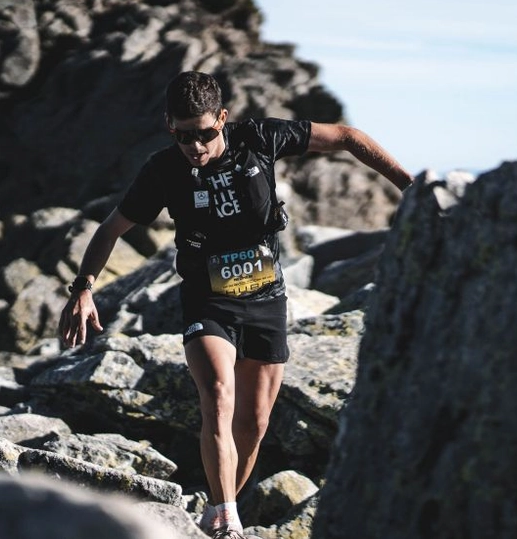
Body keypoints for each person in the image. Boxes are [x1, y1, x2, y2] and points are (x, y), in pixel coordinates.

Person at [58, 71, 412, 538]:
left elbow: (347, 137)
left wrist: (412, 187)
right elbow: (110, 229)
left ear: (222, 119)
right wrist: (84, 286)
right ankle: (227, 518)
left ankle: (215, 507)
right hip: (208, 304)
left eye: (205, 133)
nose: (196, 146)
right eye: (184, 135)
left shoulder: (259, 139)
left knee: (255, 422)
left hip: (266, 300)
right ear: (170, 127)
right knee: (219, 396)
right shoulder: (162, 170)